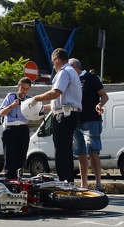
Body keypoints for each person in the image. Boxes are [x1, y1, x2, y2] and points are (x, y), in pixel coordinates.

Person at [30, 48, 82, 183]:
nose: (53, 65)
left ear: (57, 59)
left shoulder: (63, 72)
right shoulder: (72, 71)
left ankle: (64, 181)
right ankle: (68, 181)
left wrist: (35, 99)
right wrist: (43, 107)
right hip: (69, 114)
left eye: (53, 62)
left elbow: (56, 93)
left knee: (60, 151)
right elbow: (60, 100)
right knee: (66, 150)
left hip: (64, 116)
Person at [69, 58, 109, 191]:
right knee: (80, 153)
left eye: (68, 68)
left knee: (92, 151)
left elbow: (104, 96)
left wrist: (100, 104)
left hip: (91, 121)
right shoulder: (70, 80)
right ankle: (83, 185)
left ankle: (98, 184)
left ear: (74, 67)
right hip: (75, 122)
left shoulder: (91, 78)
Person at [0, 77, 32, 179]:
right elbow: (1, 113)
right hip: (11, 128)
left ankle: (19, 180)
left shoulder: (29, 99)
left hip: (23, 128)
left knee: (22, 157)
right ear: (18, 87)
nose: (24, 91)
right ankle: (9, 180)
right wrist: (12, 105)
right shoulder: (10, 96)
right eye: (22, 88)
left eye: (27, 89)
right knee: (10, 157)